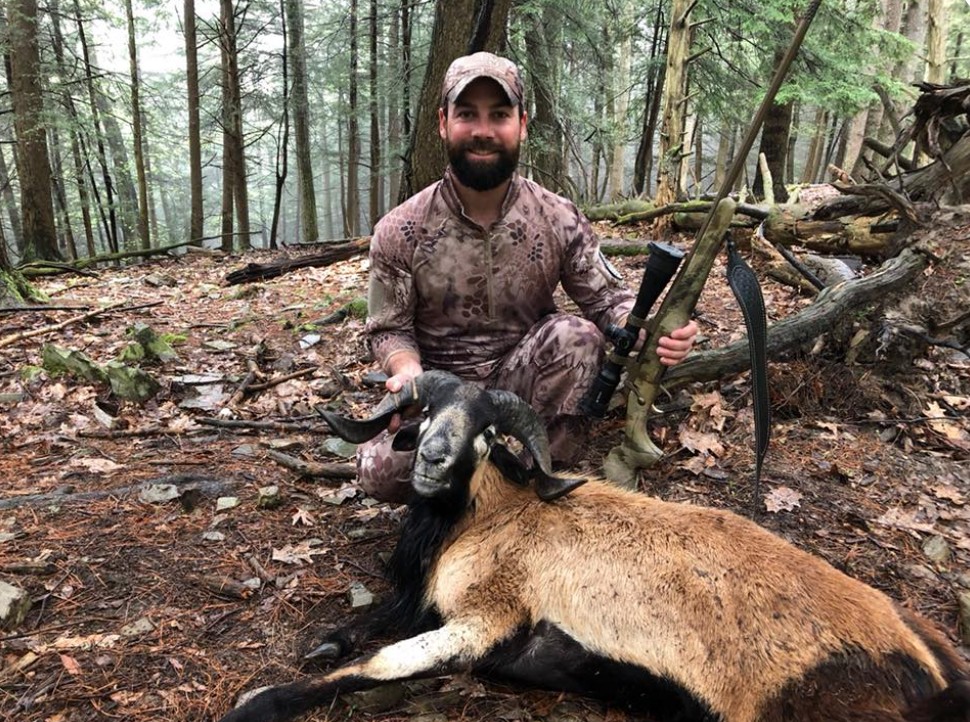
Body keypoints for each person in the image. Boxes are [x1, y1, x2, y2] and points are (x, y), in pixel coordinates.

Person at [357, 52, 698, 502]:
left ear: (522, 124)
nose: (483, 131)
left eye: (499, 115)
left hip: (521, 387)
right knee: (381, 471)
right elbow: (389, 330)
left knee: (578, 335)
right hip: (441, 396)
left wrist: (655, 335)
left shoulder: (558, 217)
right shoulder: (400, 228)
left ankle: (535, 480)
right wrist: (409, 376)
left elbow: (607, 302)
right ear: (443, 123)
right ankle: (491, 475)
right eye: (466, 114)